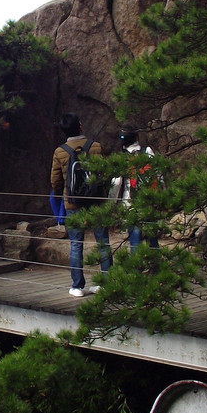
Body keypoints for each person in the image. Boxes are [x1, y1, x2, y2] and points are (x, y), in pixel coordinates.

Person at [50, 113, 111, 297]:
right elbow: (105, 174)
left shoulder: (60, 152)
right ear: (81, 126)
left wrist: (63, 195)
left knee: (76, 244)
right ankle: (107, 283)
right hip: (96, 202)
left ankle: (77, 286)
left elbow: (56, 182)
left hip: (73, 204)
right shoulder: (96, 147)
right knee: (103, 243)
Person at [112, 125, 160, 252]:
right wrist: (162, 196)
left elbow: (116, 183)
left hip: (130, 204)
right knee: (153, 240)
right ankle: (156, 269)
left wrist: (110, 203)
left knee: (135, 241)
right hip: (149, 202)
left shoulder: (122, 157)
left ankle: (136, 271)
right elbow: (158, 175)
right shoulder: (147, 151)